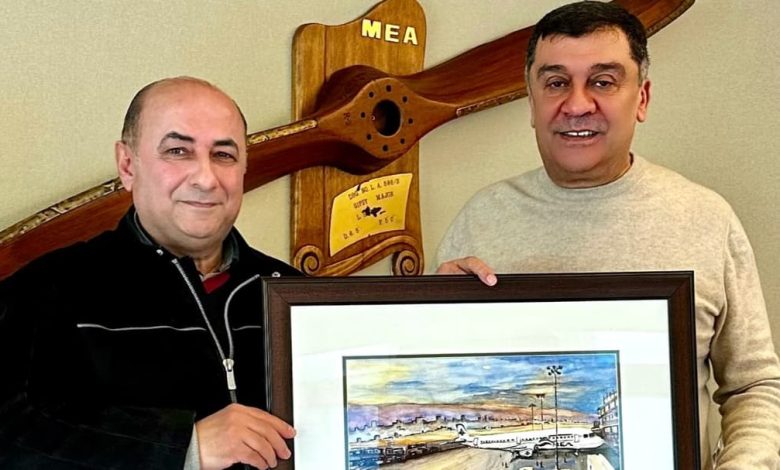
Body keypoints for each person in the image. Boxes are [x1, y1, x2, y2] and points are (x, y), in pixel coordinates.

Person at [436, 2, 780, 469]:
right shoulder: (478, 221)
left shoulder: (706, 218)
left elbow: (753, 386)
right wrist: (432, 319)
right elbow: (438, 377)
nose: (577, 105)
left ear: (642, 98)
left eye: (602, 81)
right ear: (532, 103)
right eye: (556, 83)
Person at [0, 77, 301, 469]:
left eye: (224, 155)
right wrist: (184, 446)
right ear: (127, 165)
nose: (205, 178)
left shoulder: (298, 295)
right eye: (178, 151)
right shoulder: (47, 290)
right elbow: (10, 434)